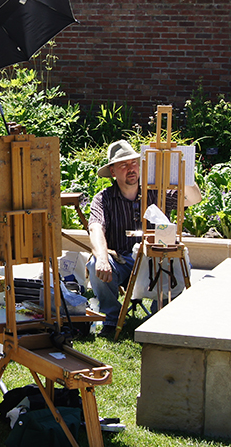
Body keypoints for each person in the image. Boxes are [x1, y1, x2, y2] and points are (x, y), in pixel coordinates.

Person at [87, 140, 202, 335]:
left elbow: (193, 199)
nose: (130, 168)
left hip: (155, 261)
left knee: (178, 263)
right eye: (123, 165)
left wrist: (183, 170)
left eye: (134, 163)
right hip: (122, 261)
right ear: (113, 172)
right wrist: (102, 257)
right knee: (94, 263)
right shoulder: (104, 198)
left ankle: (159, 316)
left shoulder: (156, 191)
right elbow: (95, 228)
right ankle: (111, 319)